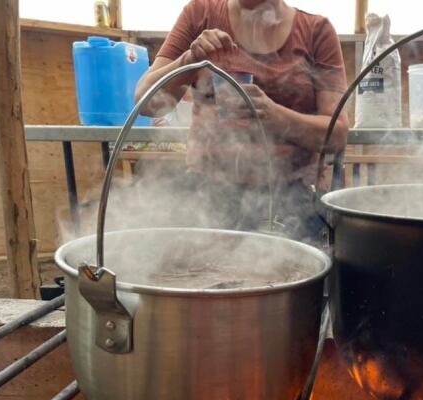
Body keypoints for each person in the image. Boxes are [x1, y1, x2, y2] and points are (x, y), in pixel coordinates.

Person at [136, 0, 349, 242]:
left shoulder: (315, 31)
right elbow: (145, 102)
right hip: (207, 196)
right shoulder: (200, 14)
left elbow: (337, 134)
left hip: (290, 200)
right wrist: (188, 60)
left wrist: (275, 115)